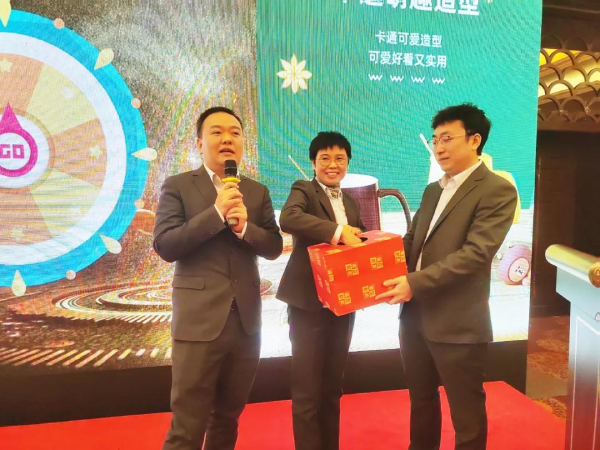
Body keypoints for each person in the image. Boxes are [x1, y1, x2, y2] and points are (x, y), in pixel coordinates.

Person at [376, 103, 518, 450]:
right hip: (414, 318)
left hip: (458, 323)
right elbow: (413, 242)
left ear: (474, 140)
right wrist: (373, 260)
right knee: (421, 402)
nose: (439, 147)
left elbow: (475, 254)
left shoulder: (496, 189)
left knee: (466, 413)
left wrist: (414, 283)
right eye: (436, 139)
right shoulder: (433, 190)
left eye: (447, 138)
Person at [153, 106, 283, 450]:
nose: (227, 138)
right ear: (199, 143)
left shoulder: (256, 191)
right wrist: (215, 213)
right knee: (187, 427)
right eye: (217, 132)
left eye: (235, 132)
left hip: (246, 325)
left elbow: (273, 246)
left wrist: (244, 229)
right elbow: (165, 245)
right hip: (198, 325)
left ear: (243, 143)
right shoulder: (178, 186)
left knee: (227, 419)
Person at [277, 132, 366, 450]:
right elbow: (288, 218)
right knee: (307, 391)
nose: (333, 164)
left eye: (340, 158)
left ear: (348, 163)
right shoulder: (304, 190)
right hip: (308, 305)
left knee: (332, 388)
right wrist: (337, 231)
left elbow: (360, 240)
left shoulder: (352, 202)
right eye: (325, 158)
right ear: (313, 163)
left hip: (343, 305)